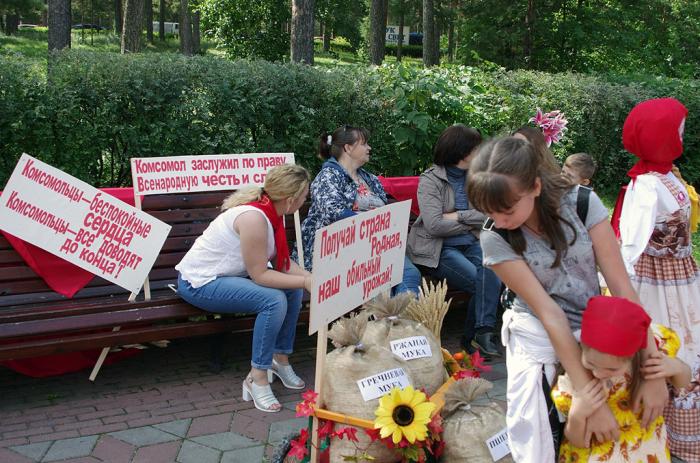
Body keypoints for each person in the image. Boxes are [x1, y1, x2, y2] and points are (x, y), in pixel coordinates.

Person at [467, 136, 668, 462]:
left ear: (534, 186)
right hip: (541, 338)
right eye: (489, 211)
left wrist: (652, 373)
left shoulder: (581, 204)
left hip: (598, 332)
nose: (499, 221)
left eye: (507, 210)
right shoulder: (495, 237)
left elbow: (622, 287)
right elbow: (549, 314)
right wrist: (591, 401)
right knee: (552, 438)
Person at [175, 164, 313, 413]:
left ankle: (280, 359)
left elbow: (281, 263)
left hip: (227, 277)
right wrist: (306, 282)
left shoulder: (270, 212)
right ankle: (256, 376)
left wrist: (310, 277)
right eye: (305, 197)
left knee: (291, 290)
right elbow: (260, 275)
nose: (306, 201)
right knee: (274, 299)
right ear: (291, 199)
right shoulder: (255, 218)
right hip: (199, 282)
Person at [617, 97, 700, 461]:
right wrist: (622, 300)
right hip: (656, 283)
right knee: (668, 345)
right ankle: (663, 435)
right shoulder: (647, 186)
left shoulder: (667, 176)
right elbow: (630, 245)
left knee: (688, 345)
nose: (682, 133)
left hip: (682, 275)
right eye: (677, 128)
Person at [552, 295, 691, 463]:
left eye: (611, 369)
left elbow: (683, 383)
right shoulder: (576, 381)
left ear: (633, 354)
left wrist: (676, 367)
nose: (598, 374)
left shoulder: (649, 361)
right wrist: (577, 415)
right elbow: (577, 441)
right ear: (582, 344)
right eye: (590, 363)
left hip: (648, 454)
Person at [407, 124, 502, 356]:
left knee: (495, 270)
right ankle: (475, 339)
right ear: (462, 151)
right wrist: (470, 219)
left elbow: (487, 213)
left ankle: (479, 335)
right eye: (476, 148)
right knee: (479, 280)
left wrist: (457, 216)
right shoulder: (431, 180)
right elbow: (434, 225)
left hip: (471, 241)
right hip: (438, 248)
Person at [298, 125, 421, 295]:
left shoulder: (369, 178)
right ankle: (393, 319)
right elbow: (333, 212)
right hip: (341, 249)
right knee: (378, 281)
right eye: (364, 144)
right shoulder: (328, 176)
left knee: (409, 273)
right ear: (348, 148)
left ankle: (402, 321)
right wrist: (370, 224)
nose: (369, 148)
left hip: (377, 245)